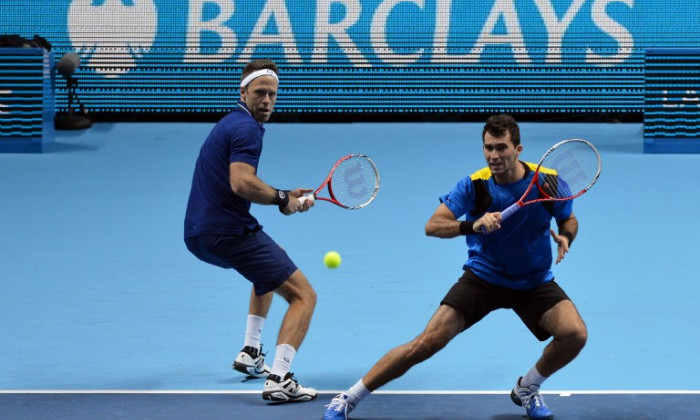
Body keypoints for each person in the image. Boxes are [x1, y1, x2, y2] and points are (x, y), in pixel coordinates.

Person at [322, 114, 588, 420]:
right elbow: (433, 225)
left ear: (518, 149)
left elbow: (568, 218)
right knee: (426, 343)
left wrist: (566, 237)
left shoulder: (547, 181)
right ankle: (348, 398)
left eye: (501, 148)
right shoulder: (475, 186)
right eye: (488, 148)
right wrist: (473, 225)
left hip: (533, 281)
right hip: (484, 278)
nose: (493, 155)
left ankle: (527, 388)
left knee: (575, 333)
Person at [184, 59, 318, 403]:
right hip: (227, 231)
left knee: (276, 262)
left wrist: (286, 196)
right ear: (242, 92)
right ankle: (279, 376)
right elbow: (241, 182)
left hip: (199, 235)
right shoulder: (247, 129)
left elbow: (244, 184)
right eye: (260, 92)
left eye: (273, 94)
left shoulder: (231, 123)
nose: (267, 100)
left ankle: (250, 351)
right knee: (304, 295)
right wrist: (282, 198)